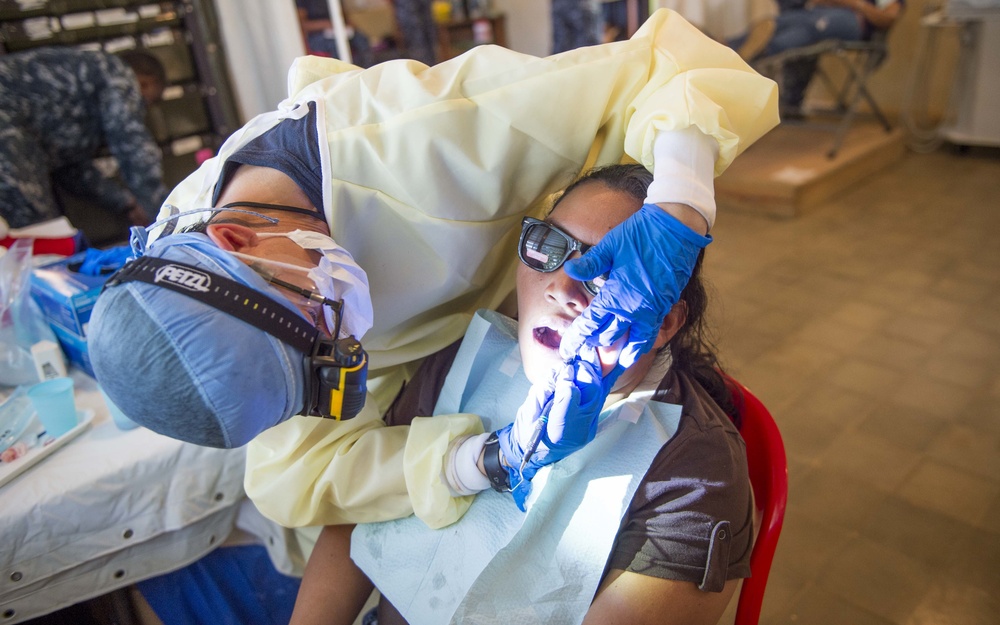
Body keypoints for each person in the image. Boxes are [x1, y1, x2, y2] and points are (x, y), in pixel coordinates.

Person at [87, 8, 777, 533]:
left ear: (239, 237)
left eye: (319, 329)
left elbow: (675, 68)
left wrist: (681, 204)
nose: (345, 346)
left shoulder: (425, 137)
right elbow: (293, 471)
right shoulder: (203, 266)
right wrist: (477, 460)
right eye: (319, 369)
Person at [290, 164, 752, 625]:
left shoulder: (694, 472)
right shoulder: (469, 360)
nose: (562, 289)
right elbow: (363, 506)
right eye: (549, 247)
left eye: (607, 274)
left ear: (665, 323)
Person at [0, 47, 169, 230]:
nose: (138, 111)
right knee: (36, 229)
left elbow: (71, 170)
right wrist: (165, 215)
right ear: (145, 84)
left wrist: (127, 203)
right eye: (143, 103)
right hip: (6, 128)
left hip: (15, 135)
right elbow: (133, 145)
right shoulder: (116, 72)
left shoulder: (82, 97)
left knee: (34, 232)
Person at [731, 0, 903, 115]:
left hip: (852, 19)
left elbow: (888, 18)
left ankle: (745, 49)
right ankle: (743, 46)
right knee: (781, 22)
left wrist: (856, 4)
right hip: (815, 13)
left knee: (807, 26)